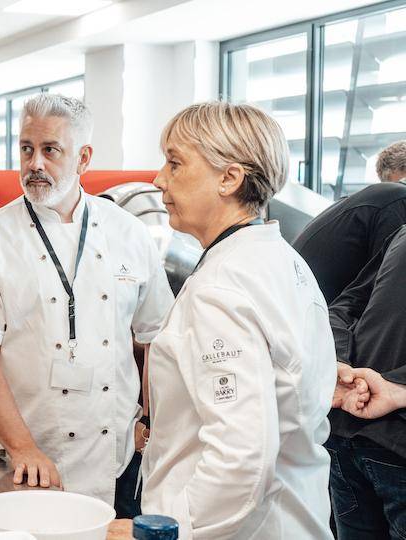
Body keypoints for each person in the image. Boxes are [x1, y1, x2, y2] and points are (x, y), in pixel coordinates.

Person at [0, 94, 174, 514]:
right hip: (26, 458)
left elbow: (155, 339)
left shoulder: (129, 233)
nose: (35, 163)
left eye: (50, 150)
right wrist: (23, 448)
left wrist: (150, 420)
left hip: (119, 455)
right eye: (26, 149)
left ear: (83, 158)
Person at [140, 102, 336, 538]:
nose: (159, 179)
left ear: (229, 178)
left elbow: (241, 456)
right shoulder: (281, 261)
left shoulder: (222, 287)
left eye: (174, 163)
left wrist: (171, 530)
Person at [326, 224, 406, 539]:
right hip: (376, 440)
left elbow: (341, 308)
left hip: (348, 431)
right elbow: (343, 307)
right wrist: (341, 365)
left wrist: (340, 362)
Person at [293, 143, 406, 304]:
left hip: (304, 310)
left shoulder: (358, 203)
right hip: (323, 317)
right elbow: (387, 289)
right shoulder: (397, 199)